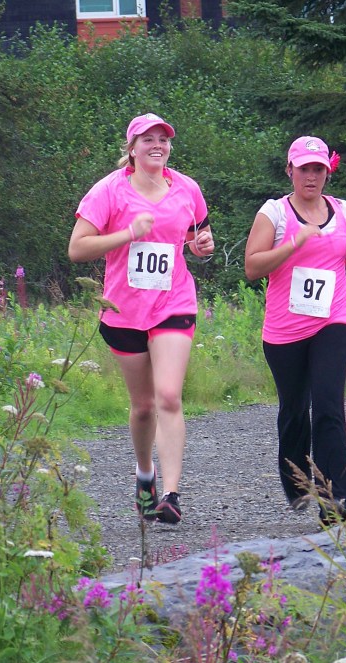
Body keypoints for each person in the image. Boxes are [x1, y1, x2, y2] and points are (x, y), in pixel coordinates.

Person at [68, 113, 214, 525]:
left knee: (169, 396)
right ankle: (144, 475)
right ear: (131, 148)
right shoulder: (108, 191)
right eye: (147, 139)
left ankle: (171, 494)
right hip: (123, 311)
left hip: (174, 304)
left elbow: (197, 233)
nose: (157, 145)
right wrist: (129, 233)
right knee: (144, 406)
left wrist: (201, 245)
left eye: (163, 139)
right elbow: (78, 250)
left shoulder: (187, 188)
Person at [244, 136, 346, 524]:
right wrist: (292, 245)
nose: (312, 176)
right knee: (295, 411)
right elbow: (253, 268)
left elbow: (340, 256)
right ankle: (297, 481)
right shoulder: (275, 213)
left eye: (318, 169)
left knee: (329, 406)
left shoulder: (343, 210)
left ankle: (337, 504)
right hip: (284, 329)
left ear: (327, 172)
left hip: (334, 318)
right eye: (305, 169)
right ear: (291, 171)